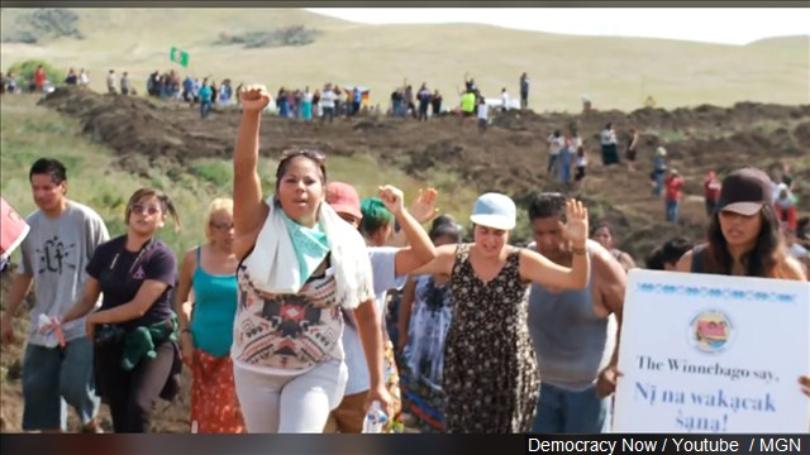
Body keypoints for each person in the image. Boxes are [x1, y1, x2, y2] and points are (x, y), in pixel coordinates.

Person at [230, 84, 392, 433]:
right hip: (255, 369)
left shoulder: (346, 244)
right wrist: (252, 113)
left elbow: (366, 315)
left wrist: (378, 382)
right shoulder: (255, 228)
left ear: (322, 190)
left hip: (317, 367)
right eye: (291, 180)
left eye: (309, 181)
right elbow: (244, 171)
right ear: (278, 188)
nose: (300, 187)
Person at [408, 192, 591, 433]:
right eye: (484, 230)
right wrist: (410, 220)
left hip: (509, 367)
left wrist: (579, 246)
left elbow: (576, 280)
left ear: (510, 233)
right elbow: (400, 262)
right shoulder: (454, 257)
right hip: (464, 365)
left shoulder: (522, 261)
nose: (490, 240)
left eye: (499, 233)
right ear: (474, 228)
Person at [56, 188, 181, 433]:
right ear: (128, 213)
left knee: (140, 405)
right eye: (137, 208)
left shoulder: (162, 257)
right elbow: (88, 298)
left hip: (153, 343)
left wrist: (95, 319)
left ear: (162, 220)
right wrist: (62, 319)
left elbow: (139, 307)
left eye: (152, 210)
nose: (143, 214)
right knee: (120, 411)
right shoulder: (106, 251)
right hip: (112, 340)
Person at [675, 168, 806, 398]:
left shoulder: (787, 272)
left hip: (764, 396)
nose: (735, 223)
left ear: (765, 217)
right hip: (700, 393)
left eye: (746, 215)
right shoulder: (690, 265)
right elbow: (669, 330)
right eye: (727, 213)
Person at [1, 158, 109, 433]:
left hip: (84, 320)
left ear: (64, 187)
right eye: (35, 188)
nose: (40, 195)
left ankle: (89, 423)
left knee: (75, 385)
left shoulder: (85, 220)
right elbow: (24, 274)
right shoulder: (30, 226)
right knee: (39, 392)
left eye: (48, 188)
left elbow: (107, 268)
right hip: (46, 322)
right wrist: (8, 316)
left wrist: (108, 315)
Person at [324, 182, 437, 433]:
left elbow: (424, 255)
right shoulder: (296, 259)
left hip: (360, 387)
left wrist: (402, 213)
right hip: (312, 386)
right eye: (333, 218)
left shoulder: (369, 260)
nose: (340, 227)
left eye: (349, 220)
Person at [526, 193, 626, 434]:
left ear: (570, 227)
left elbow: (632, 318)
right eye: (539, 234)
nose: (546, 242)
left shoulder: (600, 264)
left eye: (554, 232)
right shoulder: (528, 260)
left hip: (588, 393)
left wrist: (613, 367)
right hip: (538, 390)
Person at [175, 198, 244, 433]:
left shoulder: (251, 259)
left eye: (234, 224)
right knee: (204, 417)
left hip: (238, 352)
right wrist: (184, 335)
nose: (229, 232)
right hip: (202, 350)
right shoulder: (193, 258)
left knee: (227, 417)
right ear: (210, 228)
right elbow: (181, 298)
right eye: (221, 225)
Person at [397, 215, 462, 432]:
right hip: (418, 344)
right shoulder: (419, 272)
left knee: (441, 412)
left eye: (450, 246)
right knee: (414, 402)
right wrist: (403, 334)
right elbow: (406, 302)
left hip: (445, 351)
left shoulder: (463, 276)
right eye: (438, 245)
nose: (443, 251)